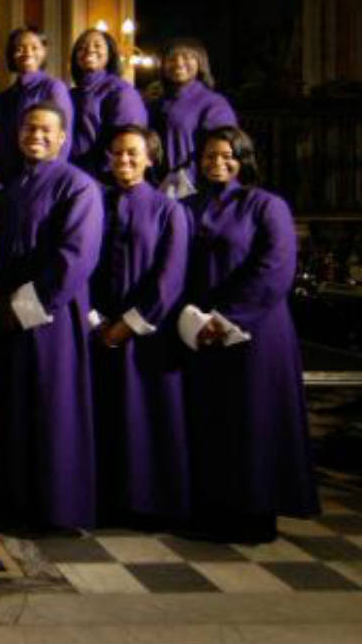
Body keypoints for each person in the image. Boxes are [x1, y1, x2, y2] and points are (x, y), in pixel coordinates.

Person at [177, 126, 318, 543]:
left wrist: (227, 319)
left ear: (244, 159)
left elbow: (275, 268)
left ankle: (255, 515)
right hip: (200, 330)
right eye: (209, 156)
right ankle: (212, 510)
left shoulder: (265, 205)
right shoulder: (187, 205)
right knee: (212, 420)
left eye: (227, 155)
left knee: (255, 421)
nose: (217, 163)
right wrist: (195, 320)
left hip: (255, 331)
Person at [0, 101, 102, 529]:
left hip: (52, 315)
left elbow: (76, 256)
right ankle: (16, 504)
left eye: (45, 130)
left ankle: (57, 509)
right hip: (7, 315)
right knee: (14, 409)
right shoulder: (10, 188)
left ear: (62, 137)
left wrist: (24, 308)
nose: (36, 135)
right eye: (29, 128)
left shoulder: (78, 186)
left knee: (53, 408)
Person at [88, 125, 190, 527]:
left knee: (146, 418)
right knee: (104, 416)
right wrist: (96, 320)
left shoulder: (169, 210)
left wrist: (127, 326)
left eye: (132, 153)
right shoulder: (96, 203)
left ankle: (148, 505)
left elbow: (170, 278)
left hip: (148, 334)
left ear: (150, 159)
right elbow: (85, 267)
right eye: (117, 153)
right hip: (99, 330)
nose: (124, 160)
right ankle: (106, 500)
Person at [149, 38, 238, 198]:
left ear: (200, 63)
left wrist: (185, 182)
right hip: (157, 187)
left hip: (193, 190)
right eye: (172, 58)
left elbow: (223, 150)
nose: (178, 63)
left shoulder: (213, 103)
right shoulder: (157, 102)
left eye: (187, 57)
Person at [0, 27, 73, 184]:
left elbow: (63, 136)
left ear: (44, 52)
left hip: (44, 177)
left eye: (34, 48)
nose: (27, 53)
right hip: (8, 180)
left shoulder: (53, 87)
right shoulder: (4, 96)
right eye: (20, 48)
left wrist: (52, 177)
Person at [68, 28, 147, 176]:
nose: (89, 50)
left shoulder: (120, 91)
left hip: (105, 177)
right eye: (82, 47)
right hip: (72, 173)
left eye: (97, 45)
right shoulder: (71, 94)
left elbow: (127, 140)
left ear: (110, 54)